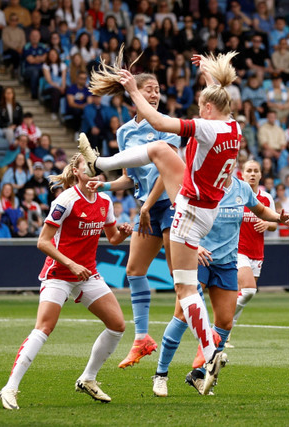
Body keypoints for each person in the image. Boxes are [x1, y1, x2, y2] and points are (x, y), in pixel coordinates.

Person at [80, 51, 244, 395]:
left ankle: (210, 350)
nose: (199, 111)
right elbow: (218, 100)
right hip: (206, 206)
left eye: (202, 106)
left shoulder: (206, 127)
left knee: (185, 289)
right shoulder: (233, 126)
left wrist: (132, 89)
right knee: (160, 151)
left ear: (208, 110)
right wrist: (209, 75)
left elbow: (157, 121)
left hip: (188, 211)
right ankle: (101, 163)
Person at [0, 153, 133, 410]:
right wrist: (70, 263)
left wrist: (122, 234)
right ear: (76, 172)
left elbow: (112, 238)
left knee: (117, 325)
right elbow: (43, 242)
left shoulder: (104, 200)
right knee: (44, 328)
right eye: (88, 169)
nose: (94, 174)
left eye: (96, 169)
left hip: (87, 274)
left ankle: (88, 378)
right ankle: (10, 387)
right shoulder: (66, 200)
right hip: (59, 273)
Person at [151, 162, 289, 397]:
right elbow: (180, 219)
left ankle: (197, 374)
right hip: (200, 259)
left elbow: (260, 210)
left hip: (226, 263)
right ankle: (161, 374)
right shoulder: (200, 188)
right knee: (182, 315)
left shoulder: (241, 188)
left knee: (225, 323)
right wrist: (194, 248)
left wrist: (279, 217)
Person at [87, 63, 181, 370]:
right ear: (135, 95)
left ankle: (206, 339)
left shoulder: (166, 124)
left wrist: (145, 206)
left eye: (157, 89)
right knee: (134, 271)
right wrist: (105, 184)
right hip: (147, 208)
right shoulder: (124, 132)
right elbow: (130, 178)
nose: (155, 94)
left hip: (168, 203)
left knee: (180, 277)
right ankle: (142, 338)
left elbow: (167, 174)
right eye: (149, 89)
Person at [228, 160, 277, 345]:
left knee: (243, 293)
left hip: (257, 253)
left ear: (260, 175)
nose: (252, 174)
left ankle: (225, 331)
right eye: (249, 170)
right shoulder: (235, 195)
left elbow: (273, 224)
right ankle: (221, 325)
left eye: (256, 171)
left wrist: (267, 224)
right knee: (248, 290)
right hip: (238, 251)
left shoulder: (266, 198)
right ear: (242, 173)